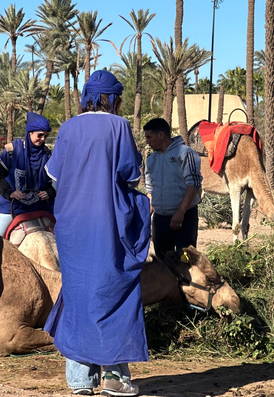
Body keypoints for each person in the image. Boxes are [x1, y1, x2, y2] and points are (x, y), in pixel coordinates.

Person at [43, 70, 151, 397]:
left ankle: (80, 380)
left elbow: (55, 176)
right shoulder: (118, 127)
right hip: (107, 223)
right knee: (114, 290)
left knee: (78, 293)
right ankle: (116, 377)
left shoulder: (69, 127)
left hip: (72, 227)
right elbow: (130, 174)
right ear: (113, 99)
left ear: (87, 96)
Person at [143, 118, 202, 259]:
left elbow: (193, 184)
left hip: (185, 218)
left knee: (186, 263)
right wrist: (145, 219)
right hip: (160, 220)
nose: (147, 142)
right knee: (162, 264)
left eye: (149, 137)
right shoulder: (151, 160)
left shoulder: (185, 154)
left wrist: (180, 212)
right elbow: (151, 191)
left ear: (161, 135)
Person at [0, 112, 55, 237]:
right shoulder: (11, 151)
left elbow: (52, 183)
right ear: (30, 132)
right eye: (40, 135)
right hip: (12, 205)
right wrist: (10, 193)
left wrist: (48, 193)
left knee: (65, 234)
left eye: (45, 136)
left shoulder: (47, 155)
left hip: (40, 205)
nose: (43, 139)